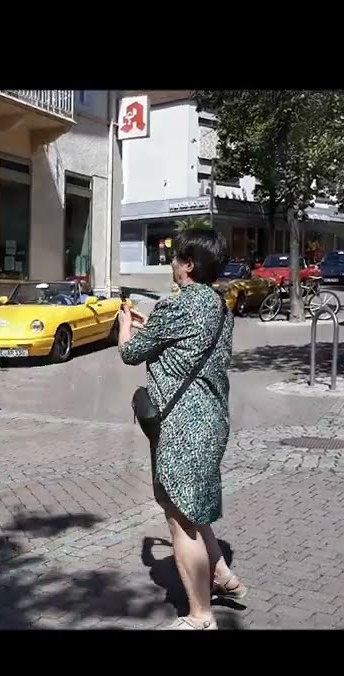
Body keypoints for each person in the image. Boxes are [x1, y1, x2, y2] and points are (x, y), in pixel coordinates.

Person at [117, 227, 246, 630]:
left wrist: (126, 325)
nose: (171, 264)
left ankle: (200, 616)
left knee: (180, 521)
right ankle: (224, 577)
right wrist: (148, 326)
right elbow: (178, 344)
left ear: (189, 265)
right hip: (211, 419)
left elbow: (129, 353)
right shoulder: (219, 306)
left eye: (176, 258)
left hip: (182, 424)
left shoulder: (178, 305)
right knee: (187, 506)